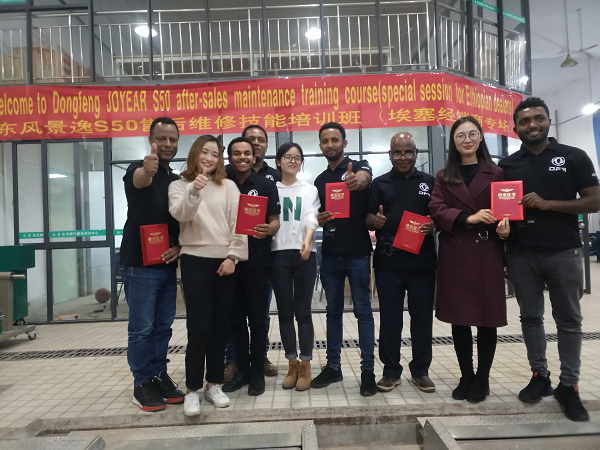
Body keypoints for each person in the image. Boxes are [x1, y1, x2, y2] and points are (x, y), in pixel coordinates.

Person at [499, 97, 600, 421]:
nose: (532, 125)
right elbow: (503, 211)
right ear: (515, 128)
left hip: (563, 252)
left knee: (569, 320)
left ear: (548, 121)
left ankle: (568, 386)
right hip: (521, 253)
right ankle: (539, 376)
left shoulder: (573, 157)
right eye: (525, 121)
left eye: (538, 118)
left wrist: (547, 204)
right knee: (530, 317)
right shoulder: (507, 166)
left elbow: (594, 201)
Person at [429, 116, 509, 403]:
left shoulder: (497, 173)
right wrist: (468, 217)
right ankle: (466, 375)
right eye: (460, 135)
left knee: (487, 320)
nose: (466, 139)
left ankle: (482, 378)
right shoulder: (444, 176)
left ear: (480, 137)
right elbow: (436, 208)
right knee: (459, 319)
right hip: (456, 253)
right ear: (453, 141)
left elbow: (507, 208)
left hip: (488, 251)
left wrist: (506, 228)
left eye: (472, 134)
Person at [168, 135, 248, 416]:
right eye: (205, 152)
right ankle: (192, 389)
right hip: (194, 261)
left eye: (215, 154)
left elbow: (239, 224)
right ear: (194, 154)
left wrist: (233, 257)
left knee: (219, 326)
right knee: (199, 327)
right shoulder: (179, 186)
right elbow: (181, 215)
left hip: (225, 262)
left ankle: (213, 384)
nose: (210, 158)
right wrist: (194, 190)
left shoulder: (229, 186)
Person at [121, 117, 185, 412]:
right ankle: (141, 382)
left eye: (173, 139)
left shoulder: (176, 180)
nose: (168, 144)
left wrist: (179, 246)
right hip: (140, 265)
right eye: (162, 138)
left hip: (166, 263)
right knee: (142, 328)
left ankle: (159, 374)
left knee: (163, 327)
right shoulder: (138, 168)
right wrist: (147, 170)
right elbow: (140, 180)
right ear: (151, 140)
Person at [366, 132, 437, 394]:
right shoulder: (379, 184)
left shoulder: (430, 182)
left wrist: (434, 223)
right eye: (397, 152)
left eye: (408, 152)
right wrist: (374, 221)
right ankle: (390, 371)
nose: (403, 157)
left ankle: (420, 371)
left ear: (416, 153)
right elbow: (367, 217)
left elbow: (439, 214)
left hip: (423, 264)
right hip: (388, 264)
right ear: (390, 155)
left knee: (422, 320)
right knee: (390, 320)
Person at [312, 122, 377, 397]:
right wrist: (319, 219)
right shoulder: (319, 181)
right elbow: (318, 216)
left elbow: (364, 177)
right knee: (332, 313)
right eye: (325, 141)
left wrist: (358, 180)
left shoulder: (358, 167)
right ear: (320, 146)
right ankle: (333, 367)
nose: (330, 145)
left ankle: (368, 372)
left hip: (358, 254)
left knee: (363, 312)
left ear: (344, 143)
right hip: (330, 256)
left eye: (335, 140)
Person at [222, 137, 281, 396]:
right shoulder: (223, 181)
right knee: (235, 321)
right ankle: (243, 370)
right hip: (229, 261)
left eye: (247, 153)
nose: (242, 157)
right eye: (237, 153)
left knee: (257, 321)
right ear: (230, 156)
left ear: (254, 156)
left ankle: (257, 372)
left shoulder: (266, 184)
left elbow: (275, 220)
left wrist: (269, 228)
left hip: (258, 262)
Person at [271, 142, 320, 391]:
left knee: (303, 312)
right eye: (288, 157)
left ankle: (306, 364)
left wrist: (308, 241)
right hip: (278, 255)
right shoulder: (271, 189)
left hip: (304, 254)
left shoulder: (309, 189)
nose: (293, 161)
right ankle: (292, 363)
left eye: (297, 157)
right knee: (284, 312)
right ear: (278, 161)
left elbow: (311, 217)